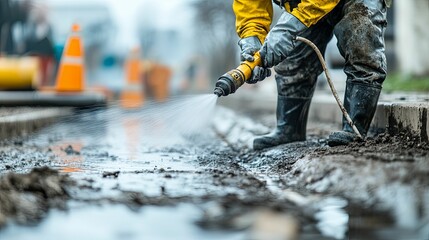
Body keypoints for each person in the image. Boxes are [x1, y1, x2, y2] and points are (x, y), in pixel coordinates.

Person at [233, 0, 390, 150]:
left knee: (361, 38)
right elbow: (250, 4)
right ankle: (289, 130)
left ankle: (355, 128)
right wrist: (252, 38)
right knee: (294, 59)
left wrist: (289, 27)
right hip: (305, 3)